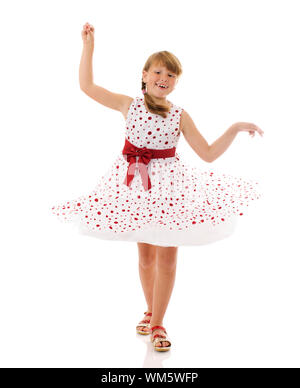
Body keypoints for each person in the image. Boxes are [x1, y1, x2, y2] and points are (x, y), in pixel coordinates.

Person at [51, 22, 264, 352]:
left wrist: (234, 128)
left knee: (167, 257)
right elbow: (87, 85)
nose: (164, 79)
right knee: (146, 256)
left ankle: (159, 323)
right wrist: (88, 45)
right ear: (145, 74)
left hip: (170, 187)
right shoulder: (128, 104)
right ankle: (150, 311)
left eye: (171, 75)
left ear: (175, 83)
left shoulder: (179, 114)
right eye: (159, 72)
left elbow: (207, 154)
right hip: (136, 185)